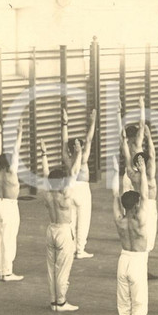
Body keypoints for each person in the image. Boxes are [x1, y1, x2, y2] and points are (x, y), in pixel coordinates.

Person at [112, 154, 154, 315]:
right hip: (137, 262)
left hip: (123, 259)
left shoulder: (120, 219)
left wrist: (116, 173)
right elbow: (145, 195)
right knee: (139, 302)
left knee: (123, 302)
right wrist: (144, 172)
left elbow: (115, 195)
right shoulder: (141, 221)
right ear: (136, 204)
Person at [38, 138, 82, 312]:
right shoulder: (66, 194)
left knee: (51, 268)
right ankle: (61, 302)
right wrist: (78, 153)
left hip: (51, 229)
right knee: (62, 268)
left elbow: (45, 173)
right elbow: (75, 172)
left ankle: (53, 301)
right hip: (64, 231)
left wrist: (44, 154)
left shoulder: (47, 194)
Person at [123, 122, 158, 280]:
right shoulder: (149, 176)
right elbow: (152, 154)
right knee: (148, 239)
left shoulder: (132, 174)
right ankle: (143, 269)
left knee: (142, 237)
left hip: (140, 206)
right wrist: (149, 137)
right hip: (149, 206)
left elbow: (126, 156)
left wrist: (124, 142)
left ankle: (141, 267)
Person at [61, 107, 97, 259]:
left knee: (71, 220)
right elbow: (89, 139)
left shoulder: (67, 158)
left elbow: (63, 141)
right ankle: (80, 250)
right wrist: (93, 122)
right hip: (82, 190)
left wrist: (65, 123)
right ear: (79, 148)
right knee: (83, 220)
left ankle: (70, 248)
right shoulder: (82, 158)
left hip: (70, 189)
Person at [0, 118, 24, 282]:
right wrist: (20, 132)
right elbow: (16, 150)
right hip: (10, 206)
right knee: (9, 239)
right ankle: (8, 272)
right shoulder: (12, 172)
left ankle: (1, 271)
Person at [119, 96, 146, 192]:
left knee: (127, 204)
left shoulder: (125, 145)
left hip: (128, 174)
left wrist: (118, 112)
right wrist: (142, 107)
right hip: (137, 174)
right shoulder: (137, 144)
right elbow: (142, 125)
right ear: (135, 135)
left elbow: (120, 133)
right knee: (141, 200)